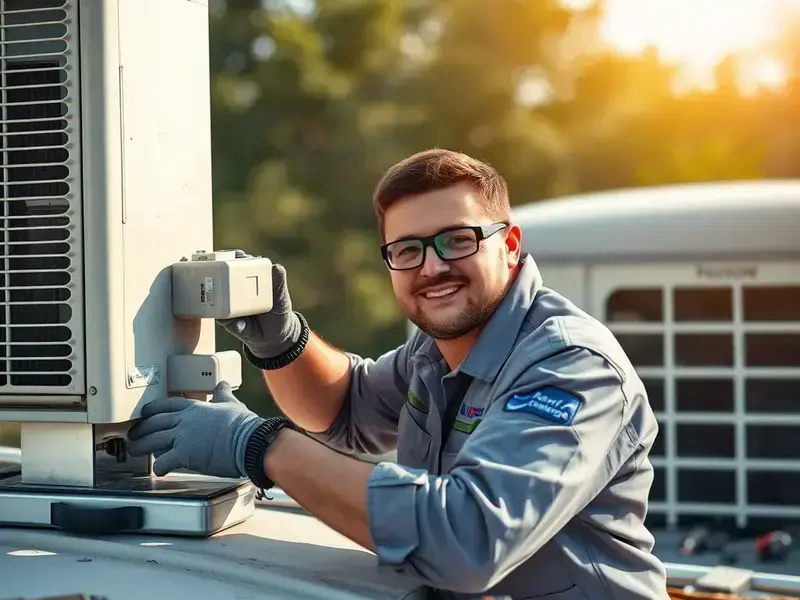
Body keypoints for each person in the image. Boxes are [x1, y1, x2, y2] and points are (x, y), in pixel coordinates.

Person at [128, 149, 670, 599]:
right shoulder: (435, 349)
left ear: (509, 244)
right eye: (407, 250)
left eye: (457, 240)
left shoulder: (569, 365)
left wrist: (257, 444)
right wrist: (283, 340)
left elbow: (468, 542)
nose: (432, 267)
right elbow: (345, 410)